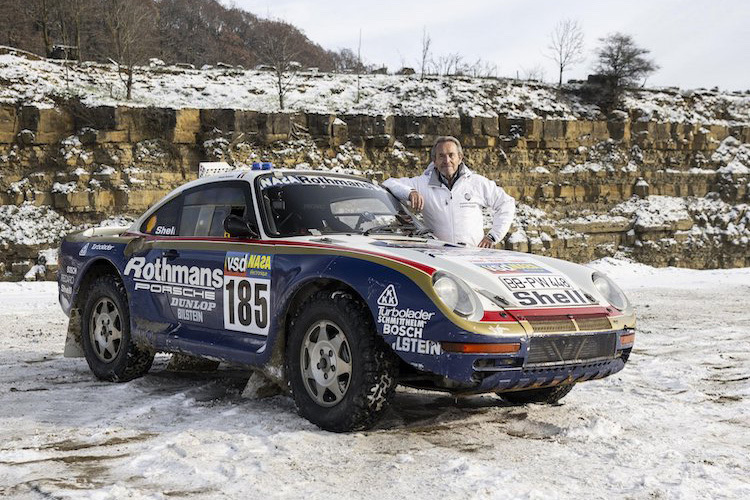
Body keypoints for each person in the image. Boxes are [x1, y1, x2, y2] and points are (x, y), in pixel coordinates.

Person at [382, 136, 515, 248]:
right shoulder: (422, 184)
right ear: (434, 161)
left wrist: (493, 236)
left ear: (460, 157)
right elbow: (388, 183)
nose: (447, 161)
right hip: (439, 259)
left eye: (451, 155)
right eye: (441, 156)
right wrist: (410, 192)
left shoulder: (477, 183)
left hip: (474, 256)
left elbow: (506, 203)